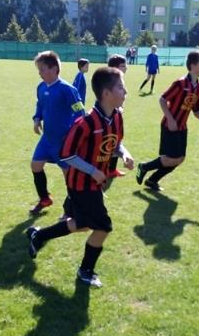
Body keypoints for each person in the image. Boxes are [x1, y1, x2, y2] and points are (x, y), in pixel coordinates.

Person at [27, 66, 134, 287]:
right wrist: (92, 170)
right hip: (81, 185)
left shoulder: (117, 118)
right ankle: (86, 271)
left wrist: (124, 154)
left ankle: (39, 236)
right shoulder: (85, 123)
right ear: (106, 94)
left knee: (83, 225)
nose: (125, 92)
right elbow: (67, 155)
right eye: (121, 87)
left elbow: (115, 144)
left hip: (95, 183)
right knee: (103, 227)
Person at [136, 50, 199, 191]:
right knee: (170, 159)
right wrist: (170, 119)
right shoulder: (180, 83)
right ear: (193, 66)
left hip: (182, 128)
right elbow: (162, 99)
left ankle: (152, 180)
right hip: (169, 126)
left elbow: (197, 111)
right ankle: (144, 167)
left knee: (179, 159)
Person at [30, 50, 84, 215]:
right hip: (47, 139)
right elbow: (40, 105)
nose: (40, 73)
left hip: (63, 141)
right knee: (35, 165)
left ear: (54, 69)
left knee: (68, 175)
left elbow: (80, 113)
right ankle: (45, 198)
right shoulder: (41, 87)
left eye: (43, 69)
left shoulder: (67, 89)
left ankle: (71, 208)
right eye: (38, 70)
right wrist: (37, 119)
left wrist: (74, 134)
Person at [107, 54, 128, 178]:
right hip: (110, 116)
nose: (126, 68)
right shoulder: (109, 81)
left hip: (117, 115)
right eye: (123, 66)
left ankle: (112, 170)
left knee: (117, 140)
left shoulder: (118, 80)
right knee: (109, 141)